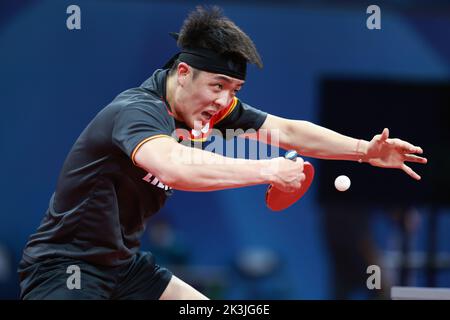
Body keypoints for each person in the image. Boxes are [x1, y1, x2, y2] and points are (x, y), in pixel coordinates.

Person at [18, 6, 427, 300]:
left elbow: (285, 130)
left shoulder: (215, 108)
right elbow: (175, 167)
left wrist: (364, 150)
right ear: (183, 73)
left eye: (234, 90)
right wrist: (267, 171)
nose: (224, 100)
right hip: (65, 269)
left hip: (123, 266)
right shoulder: (137, 112)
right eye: (217, 85)